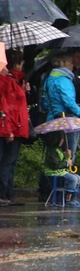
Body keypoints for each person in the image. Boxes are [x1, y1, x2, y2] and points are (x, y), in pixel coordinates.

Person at [0, 49, 30, 205]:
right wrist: (9, 130)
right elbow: (8, 107)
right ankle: (4, 193)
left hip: (15, 127)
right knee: (7, 161)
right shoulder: (7, 81)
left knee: (11, 162)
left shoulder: (15, 81)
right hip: (12, 127)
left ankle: (9, 193)